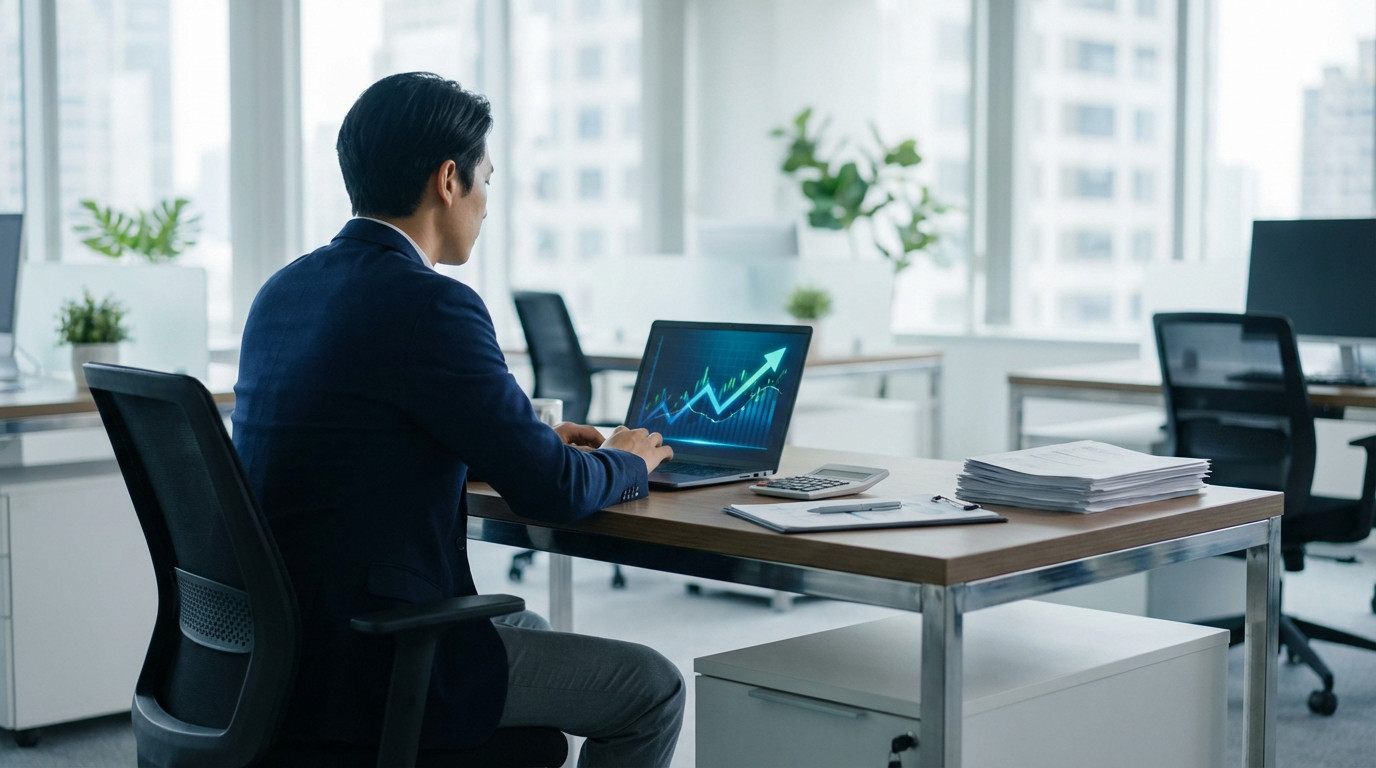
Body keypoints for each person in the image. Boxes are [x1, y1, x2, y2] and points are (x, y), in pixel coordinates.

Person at [232, 71, 684, 767]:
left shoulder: (286, 289)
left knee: (521, 621)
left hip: (278, 651)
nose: (485, 204)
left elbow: (353, 443)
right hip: (370, 663)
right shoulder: (431, 304)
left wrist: (522, 441)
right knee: (651, 686)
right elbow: (555, 493)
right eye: (487, 182)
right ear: (450, 180)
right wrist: (627, 457)